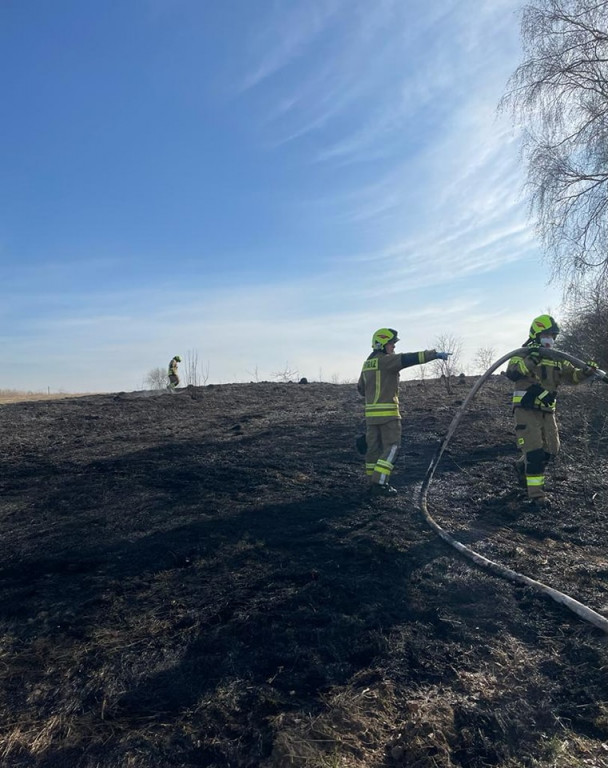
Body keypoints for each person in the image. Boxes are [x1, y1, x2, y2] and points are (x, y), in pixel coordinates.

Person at [506, 314, 598, 506]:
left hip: (547, 410)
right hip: (526, 408)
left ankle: (521, 466)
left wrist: (586, 372)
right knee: (534, 451)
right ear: (537, 334)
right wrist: (532, 358)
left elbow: (571, 376)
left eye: (553, 335)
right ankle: (536, 496)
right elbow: (513, 373)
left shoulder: (557, 358)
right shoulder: (522, 353)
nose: (550, 338)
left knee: (552, 450)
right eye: (546, 334)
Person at [357, 328, 450, 496]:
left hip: (371, 418)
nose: (393, 347)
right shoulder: (387, 361)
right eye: (391, 343)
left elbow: (361, 389)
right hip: (389, 417)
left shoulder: (367, 364)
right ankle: (380, 483)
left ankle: (372, 481)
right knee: (392, 448)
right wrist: (434, 354)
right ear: (382, 344)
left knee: (373, 449)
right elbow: (409, 359)